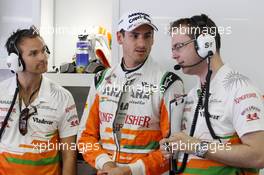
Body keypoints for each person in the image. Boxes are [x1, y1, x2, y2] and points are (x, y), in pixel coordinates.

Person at [78, 11, 185, 175]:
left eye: (147, 35)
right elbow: (85, 136)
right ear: (120, 38)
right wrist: (107, 165)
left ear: (153, 39)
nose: (142, 43)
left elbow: (174, 147)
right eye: (134, 35)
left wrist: (130, 171)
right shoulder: (101, 79)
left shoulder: (168, 83)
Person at [160, 14, 264, 175]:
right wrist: (175, 146)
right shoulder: (193, 94)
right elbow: (193, 146)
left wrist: (195, 146)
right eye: (173, 48)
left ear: (205, 43)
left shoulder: (240, 89)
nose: (173, 55)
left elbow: (259, 156)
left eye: (179, 46)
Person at [0, 26, 79, 175]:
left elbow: (69, 155)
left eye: (43, 50)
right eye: (33, 53)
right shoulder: (1, 92)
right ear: (15, 60)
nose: (43, 57)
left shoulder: (63, 97)